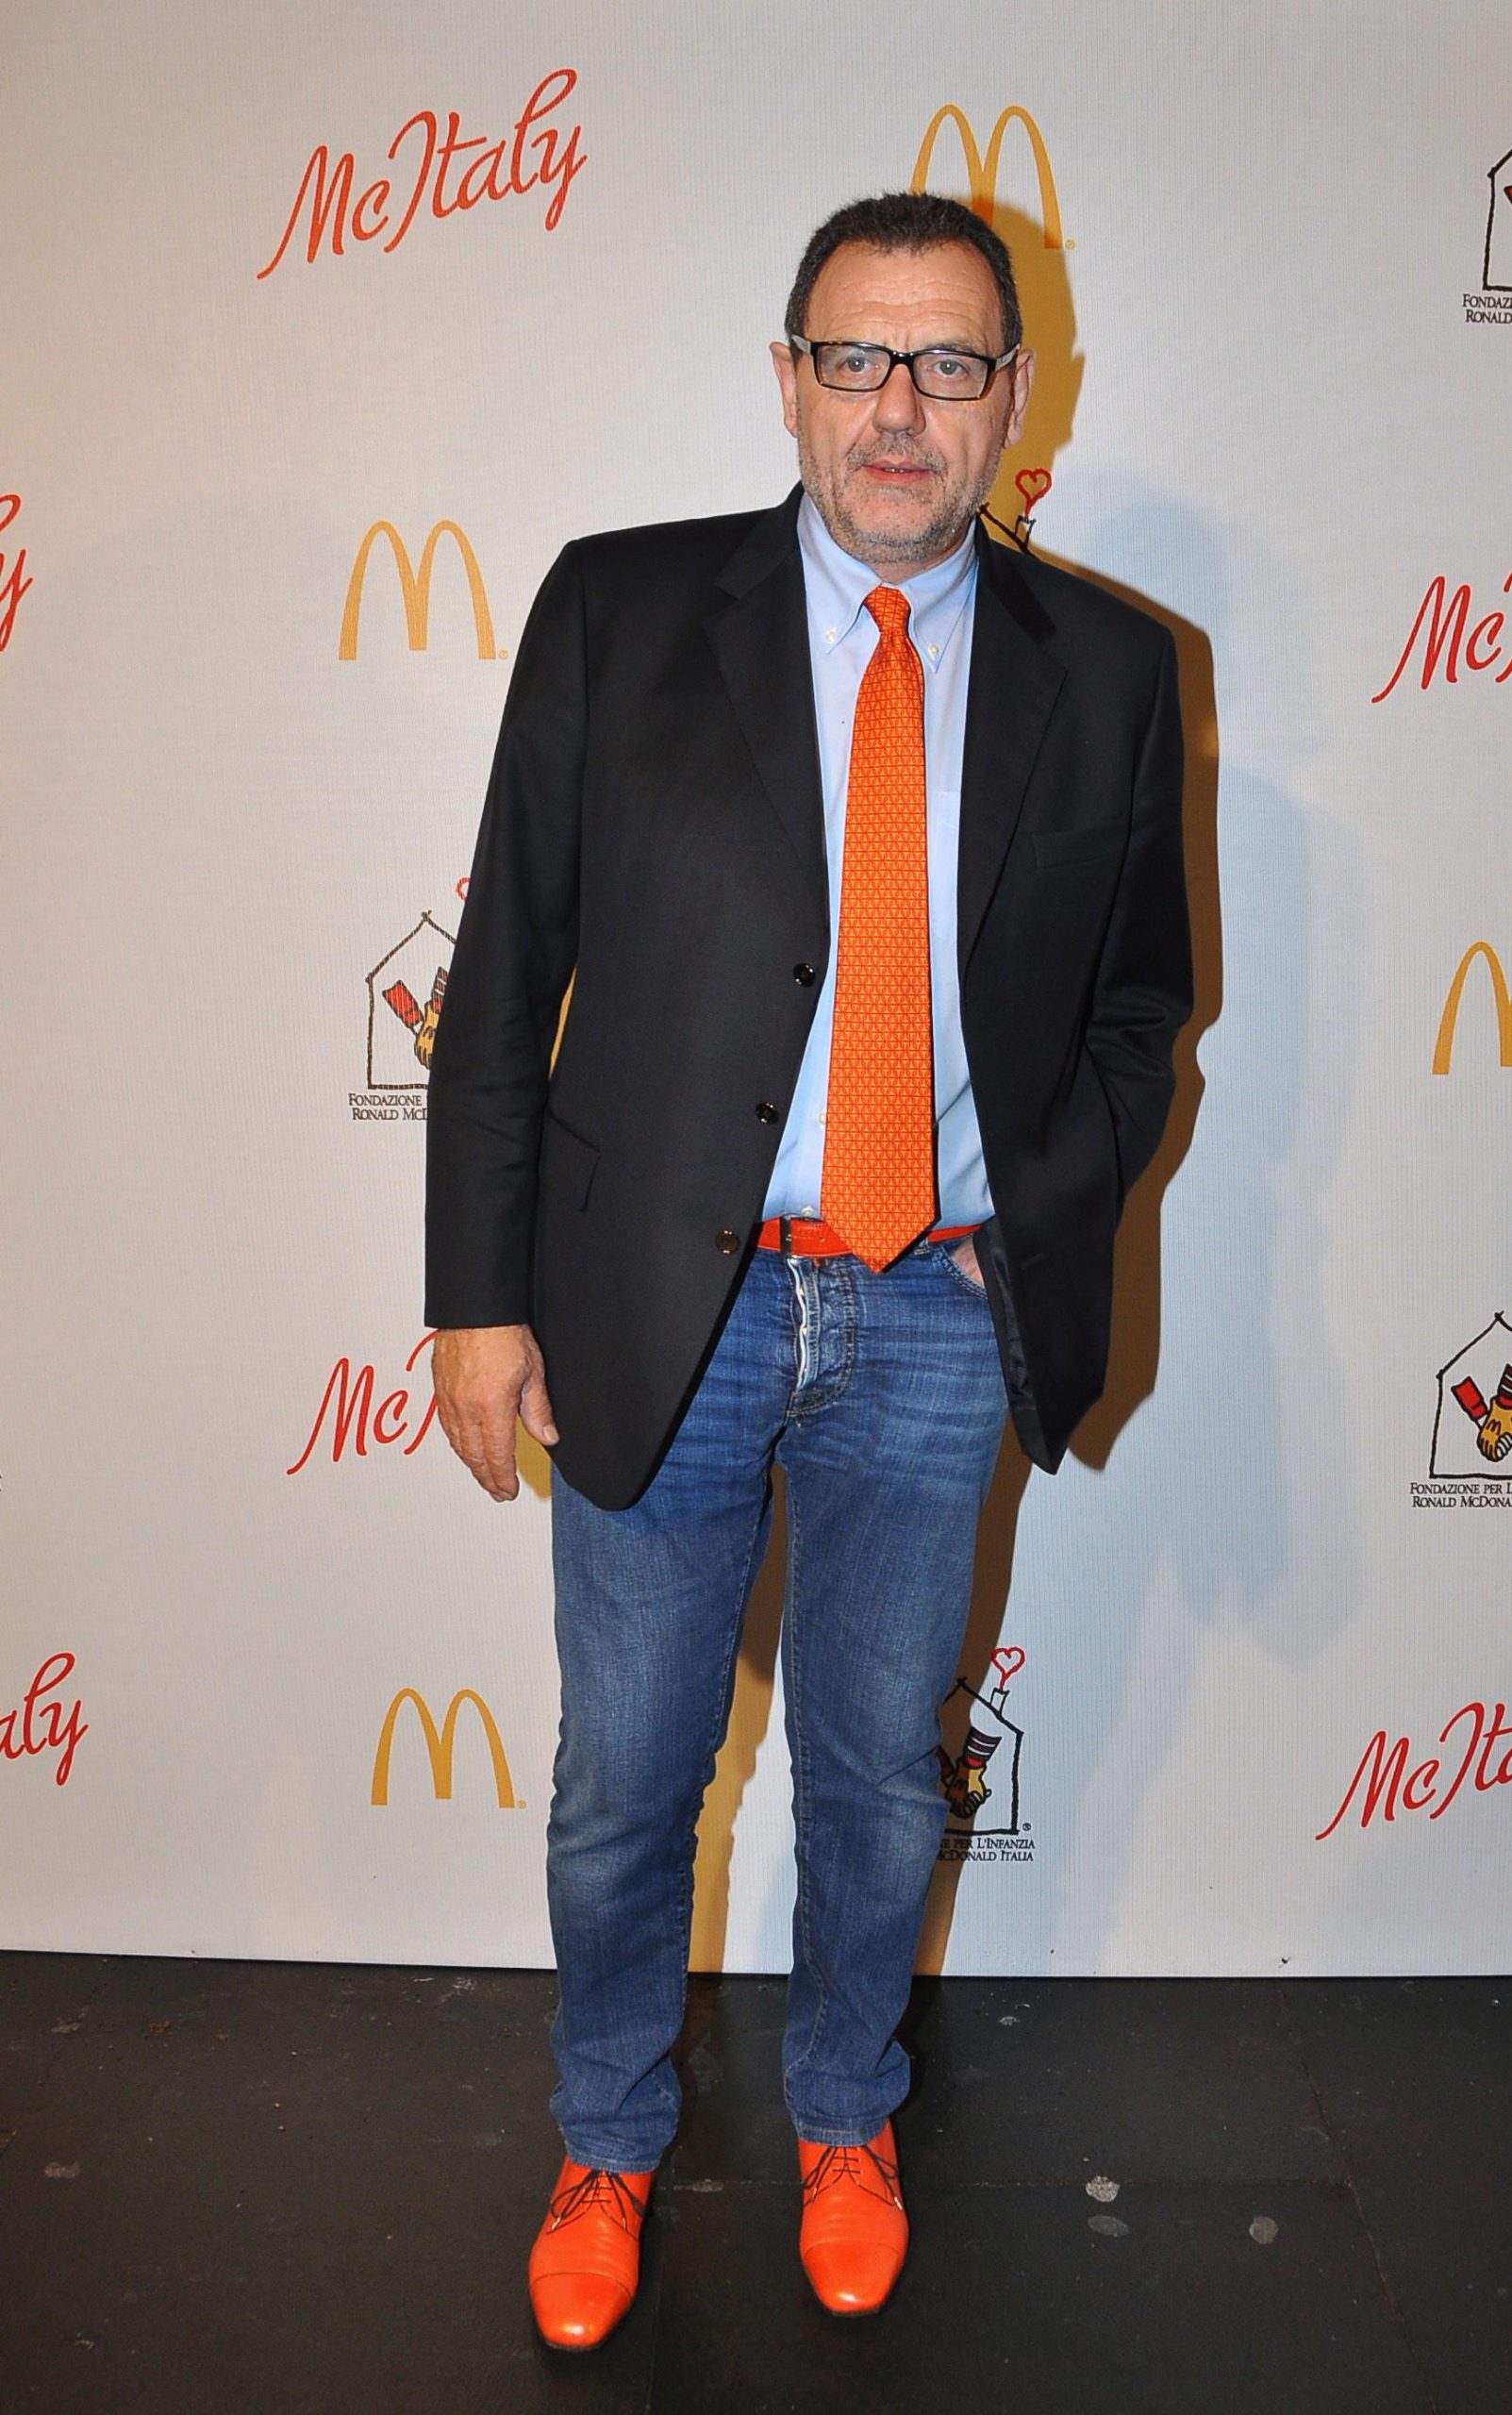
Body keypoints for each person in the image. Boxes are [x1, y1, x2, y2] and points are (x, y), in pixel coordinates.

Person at [424, 189, 1191, 2349]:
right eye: (856, 358)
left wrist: (1043, 1191)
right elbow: (505, 977)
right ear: (786, 380)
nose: (897, 408)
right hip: (657, 1305)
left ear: (1012, 399)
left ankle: (848, 2108)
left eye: (947, 363)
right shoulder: (616, 608)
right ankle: (605, 2132)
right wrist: (476, 1294)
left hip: (939, 1302)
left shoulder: (1112, 669)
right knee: (624, 1775)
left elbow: (1143, 1001)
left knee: (870, 1767)